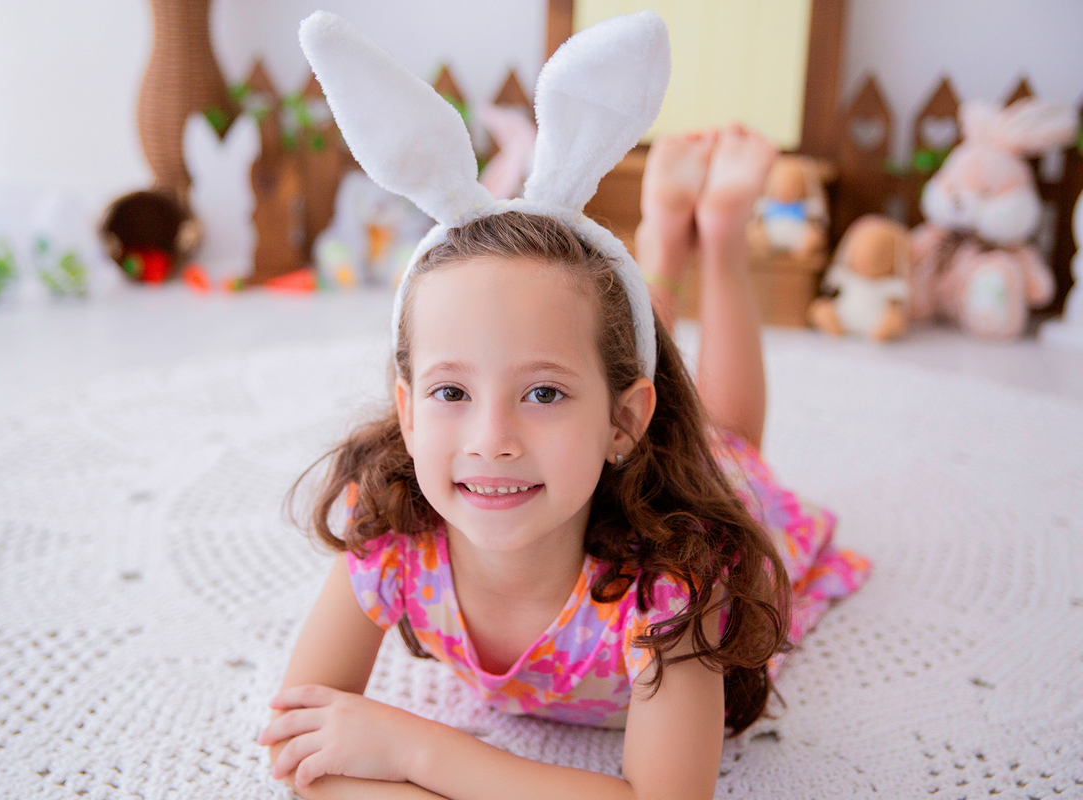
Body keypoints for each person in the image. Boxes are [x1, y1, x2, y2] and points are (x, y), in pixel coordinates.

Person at [258, 10, 870, 798]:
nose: (492, 439)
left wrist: (416, 753)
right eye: (451, 392)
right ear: (407, 412)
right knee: (595, 340)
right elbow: (302, 752)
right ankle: (662, 241)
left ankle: (718, 234)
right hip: (601, 420)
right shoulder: (391, 532)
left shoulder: (675, 583)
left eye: (541, 392)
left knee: (729, 448)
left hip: (666, 501)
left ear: (625, 423)